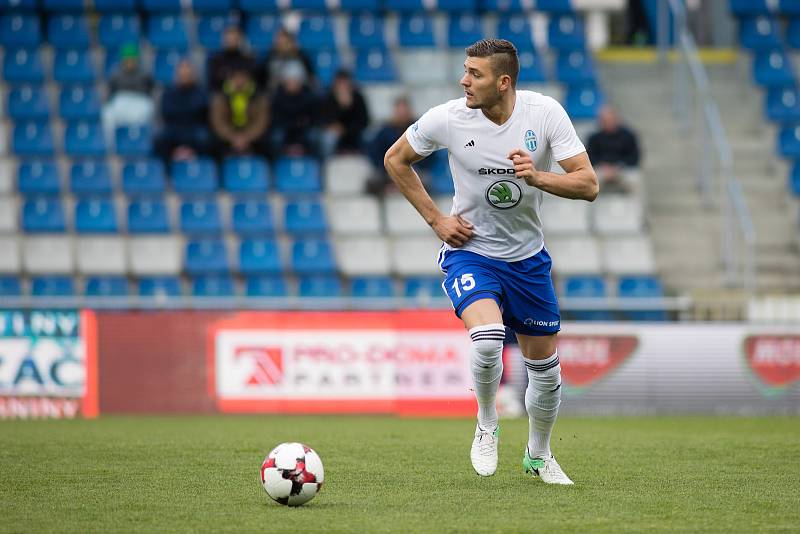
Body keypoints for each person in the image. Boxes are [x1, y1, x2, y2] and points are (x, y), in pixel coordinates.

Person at [383, 39, 598, 484]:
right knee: (486, 339)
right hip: (471, 252)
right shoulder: (448, 117)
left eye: (474, 74)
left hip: (527, 259)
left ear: (503, 82)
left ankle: (539, 455)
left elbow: (589, 184)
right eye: (464, 70)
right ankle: (487, 423)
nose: (464, 80)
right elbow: (396, 160)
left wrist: (538, 176)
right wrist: (437, 219)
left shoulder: (544, 114)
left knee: (544, 369)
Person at [154, 59, 209, 164]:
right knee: (160, 140)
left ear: (193, 75)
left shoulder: (201, 92)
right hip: (174, 128)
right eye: (182, 74)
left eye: (187, 74)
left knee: (206, 139)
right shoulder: (169, 92)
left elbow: (202, 113)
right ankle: (166, 172)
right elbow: (167, 113)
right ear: (177, 75)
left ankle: (200, 171)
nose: (185, 77)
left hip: (194, 128)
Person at [209, 68, 270, 157]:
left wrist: (247, 137)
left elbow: (262, 121)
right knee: (211, 142)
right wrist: (232, 137)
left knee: (269, 142)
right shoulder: (221, 96)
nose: (239, 81)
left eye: (242, 77)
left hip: (251, 133)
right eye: (236, 77)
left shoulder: (258, 96)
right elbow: (217, 121)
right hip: (229, 133)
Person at [101, 43, 155, 144]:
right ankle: (112, 145)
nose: (130, 62)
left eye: (132, 59)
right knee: (108, 113)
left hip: (140, 101)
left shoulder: (144, 74)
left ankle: (140, 142)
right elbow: (111, 92)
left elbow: (150, 89)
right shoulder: (115, 74)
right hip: (121, 101)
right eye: (127, 59)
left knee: (145, 112)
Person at [366, 96, 415, 196]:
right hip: (388, 172)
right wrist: (387, 169)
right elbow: (374, 153)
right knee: (372, 183)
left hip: (413, 173)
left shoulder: (417, 130)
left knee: (426, 182)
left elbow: (428, 155)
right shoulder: (384, 132)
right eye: (399, 110)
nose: (402, 114)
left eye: (404, 110)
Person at [586, 105, 641, 194]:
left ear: (616, 119)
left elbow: (634, 156)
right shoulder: (594, 138)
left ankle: (636, 207)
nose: (607, 123)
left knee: (634, 179)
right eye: (604, 120)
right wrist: (603, 166)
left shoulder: (628, 135)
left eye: (609, 120)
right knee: (587, 181)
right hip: (601, 169)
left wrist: (619, 166)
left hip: (622, 169)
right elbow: (589, 157)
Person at [269, 61, 318, 158]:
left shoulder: (309, 95)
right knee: (276, 136)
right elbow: (275, 118)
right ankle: (277, 164)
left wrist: (302, 123)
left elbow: (313, 117)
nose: (291, 83)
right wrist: (295, 122)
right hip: (285, 128)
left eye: (294, 80)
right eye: (289, 80)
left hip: (303, 129)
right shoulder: (277, 96)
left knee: (314, 135)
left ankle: (314, 164)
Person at [318, 69, 369, 158]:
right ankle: (327, 164)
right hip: (335, 133)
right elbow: (323, 119)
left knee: (367, 138)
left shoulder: (358, 98)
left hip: (354, 133)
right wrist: (340, 108)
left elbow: (364, 121)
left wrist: (346, 129)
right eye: (340, 83)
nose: (343, 86)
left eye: (345, 83)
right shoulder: (328, 97)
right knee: (328, 139)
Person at [262, 28, 315, 92]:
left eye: (285, 43)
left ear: (292, 43)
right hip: (277, 95)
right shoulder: (270, 58)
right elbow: (265, 81)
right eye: (279, 43)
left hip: (301, 95)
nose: (281, 46)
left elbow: (312, 80)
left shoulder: (302, 57)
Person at [207, 25, 258, 92]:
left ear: (240, 39)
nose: (231, 40)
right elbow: (212, 84)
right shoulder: (216, 60)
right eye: (228, 38)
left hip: (247, 95)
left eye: (234, 38)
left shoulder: (248, 59)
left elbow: (255, 82)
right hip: (224, 96)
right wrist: (228, 83)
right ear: (223, 39)